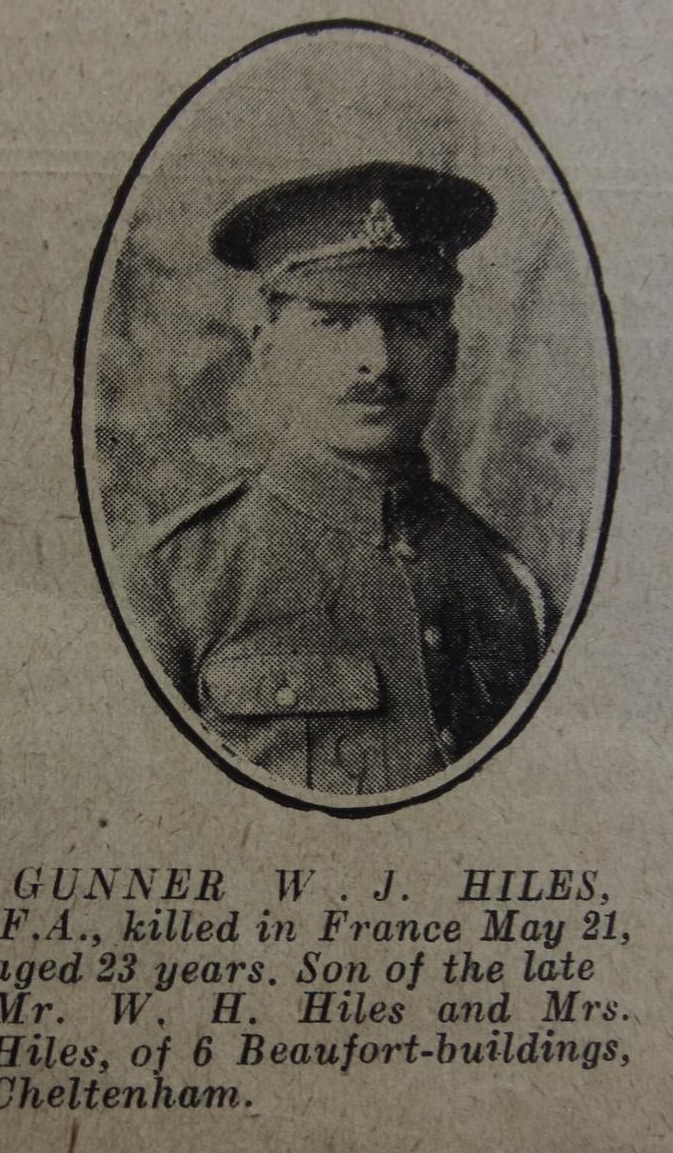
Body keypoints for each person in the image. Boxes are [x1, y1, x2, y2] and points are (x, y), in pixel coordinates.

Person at [126, 162, 553, 795]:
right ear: (266, 351)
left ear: (450, 354)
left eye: (409, 322)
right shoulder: (175, 580)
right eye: (333, 321)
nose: (376, 361)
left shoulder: (513, 589)